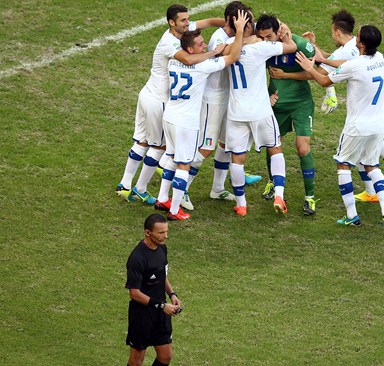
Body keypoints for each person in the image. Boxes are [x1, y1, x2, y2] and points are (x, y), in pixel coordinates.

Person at [287, 10, 384, 202]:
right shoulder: (374, 54)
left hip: (370, 103)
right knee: (373, 140)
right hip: (382, 98)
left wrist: (291, 73)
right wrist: (315, 48)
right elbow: (335, 60)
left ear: (337, 32)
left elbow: (326, 72)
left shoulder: (349, 52)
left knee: (367, 143)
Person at [115, 4, 226, 206]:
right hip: (158, 100)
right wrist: (215, 52)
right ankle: (140, 189)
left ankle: (124, 184)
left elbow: (209, 22)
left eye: (187, 19)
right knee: (159, 146)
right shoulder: (169, 43)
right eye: (183, 20)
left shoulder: (184, 29)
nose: (187, 23)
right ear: (171, 22)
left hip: (147, 93)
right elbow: (190, 60)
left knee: (142, 141)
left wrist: (230, 24)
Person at [296, 25, 384, 231]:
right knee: (372, 165)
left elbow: (324, 80)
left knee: (343, 165)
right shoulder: (381, 59)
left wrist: (310, 67)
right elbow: (347, 63)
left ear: (360, 43)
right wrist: (321, 58)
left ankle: (352, 215)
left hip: (357, 127)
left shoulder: (355, 66)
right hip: (377, 126)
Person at [156, 12, 247, 221]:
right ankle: (174, 209)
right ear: (189, 49)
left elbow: (189, 59)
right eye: (200, 45)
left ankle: (162, 198)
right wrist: (237, 33)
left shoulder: (174, 61)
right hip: (185, 122)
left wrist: (210, 52)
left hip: (170, 116)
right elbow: (233, 57)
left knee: (171, 158)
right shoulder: (203, 66)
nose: (204, 46)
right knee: (183, 164)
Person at [180, 2, 262, 211]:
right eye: (243, 22)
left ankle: (217, 188)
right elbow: (233, 53)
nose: (247, 25)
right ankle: (181, 190)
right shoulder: (219, 39)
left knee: (227, 144)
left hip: (228, 97)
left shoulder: (235, 35)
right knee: (207, 147)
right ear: (232, 22)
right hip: (213, 100)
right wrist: (245, 35)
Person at [223, 14, 297, 216]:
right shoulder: (261, 47)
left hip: (236, 112)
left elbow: (227, 49)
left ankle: (241, 205)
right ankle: (279, 196)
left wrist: (243, 35)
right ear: (248, 25)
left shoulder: (229, 45)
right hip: (260, 111)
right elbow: (291, 47)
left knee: (237, 158)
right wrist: (284, 29)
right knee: (276, 149)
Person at [256, 15, 318, 215]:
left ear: (279, 31)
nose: (266, 41)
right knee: (273, 145)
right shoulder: (262, 48)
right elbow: (254, 75)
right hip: (276, 106)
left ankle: (310, 197)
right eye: (262, 37)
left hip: (300, 104)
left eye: (269, 36)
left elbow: (314, 73)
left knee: (302, 148)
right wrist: (267, 97)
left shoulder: (299, 44)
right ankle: (273, 183)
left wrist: (286, 75)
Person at [125, 213, 181, 366]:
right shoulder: (137, 258)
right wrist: (162, 306)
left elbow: (162, 276)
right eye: (161, 232)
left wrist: (172, 294)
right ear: (148, 232)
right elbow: (134, 293)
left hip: (161, 312)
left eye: (166, 231)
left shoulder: (162, 249)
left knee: (166, 356)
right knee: (137, 360)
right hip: (142, 315)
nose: (166, 236)